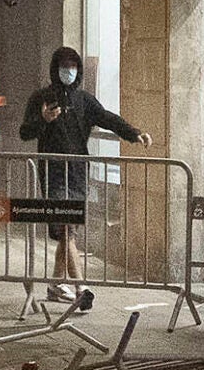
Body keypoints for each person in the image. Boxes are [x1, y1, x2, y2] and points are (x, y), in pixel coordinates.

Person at [18, 44, 148, 308]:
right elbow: (25, 132)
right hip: (53, 171)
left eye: (73, 66)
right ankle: (81, 287)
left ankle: (56, 284)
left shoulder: (84, 100)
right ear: (55, 69)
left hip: (77, 173)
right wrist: (44, 118)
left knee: (69, 229)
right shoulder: (41, 97)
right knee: (66, 228)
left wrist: (133, 133)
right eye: (64, 66)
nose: (69, 71)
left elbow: (107, 118)